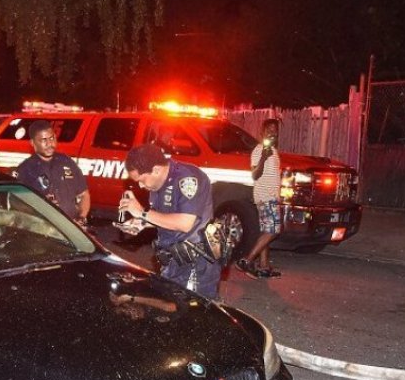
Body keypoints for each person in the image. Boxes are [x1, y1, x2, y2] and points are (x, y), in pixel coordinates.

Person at [118, 143, 221, 298]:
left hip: (195, 261)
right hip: (173, 259)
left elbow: (185, 223)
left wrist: (142, 212)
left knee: (193, 314)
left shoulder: (187, 179)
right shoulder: (158, 183)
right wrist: (141, 223)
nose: (140, 185)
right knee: (168, 307)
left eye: (141, 180)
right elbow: (164, 217)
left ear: (157, 170)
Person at [14, 119, 90, 225]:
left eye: (52, 138)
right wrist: (42, 206)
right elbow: (17, 205)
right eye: (44, 140)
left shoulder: (66, 162)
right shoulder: (25, 170)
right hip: (46, 229)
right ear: (32, 143)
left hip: (73, 228)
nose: (50, 144)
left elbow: (84, 194)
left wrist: (81, 217)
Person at [237, 118, 282, 278]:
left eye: (275, 130)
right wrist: (263, 157)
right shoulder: (259, 150)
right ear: (262, 132)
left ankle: (263, 267)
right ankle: (247, 260)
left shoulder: (273, 151)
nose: (272, 132)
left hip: (270, 196)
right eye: (269, 129)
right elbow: (255, 175)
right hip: (266, 197)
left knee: (266, 231)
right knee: (274, 231)